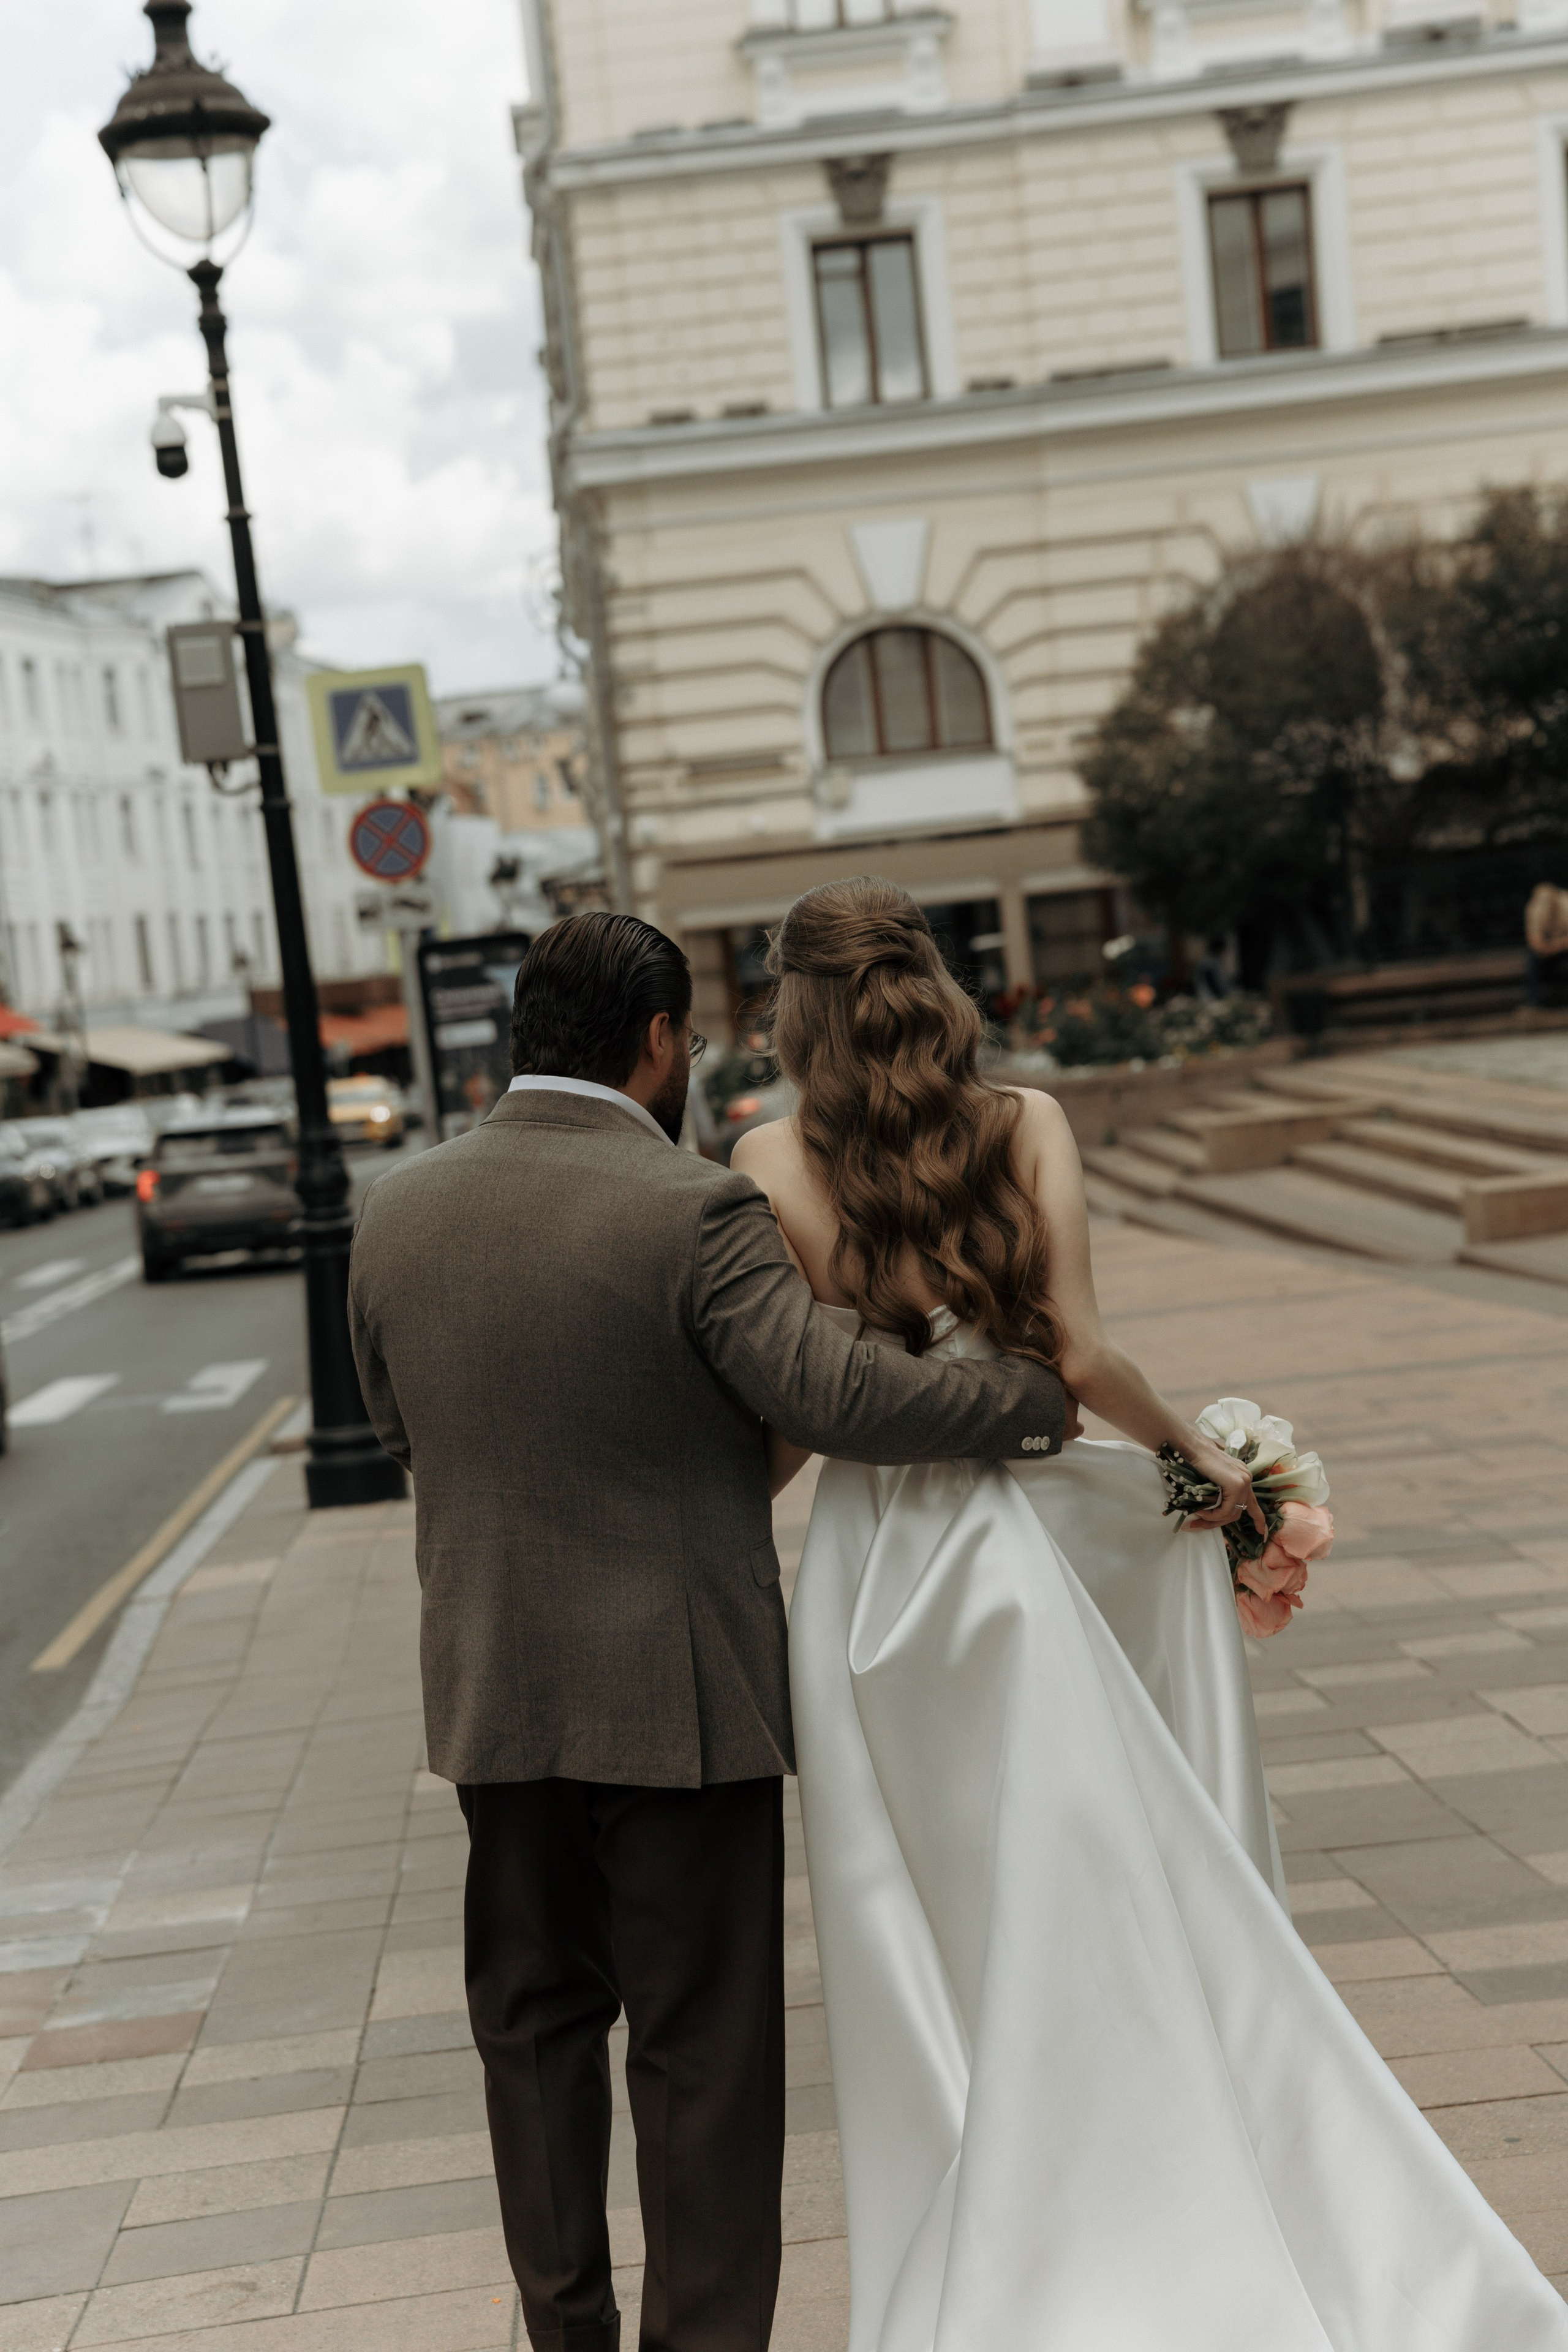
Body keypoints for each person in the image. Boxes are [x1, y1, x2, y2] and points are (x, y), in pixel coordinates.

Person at [733, 875, 1568, 2352]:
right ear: (932, 977)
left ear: (793, 1006)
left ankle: (982, 2231)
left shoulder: (764, 1156)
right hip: (1009, 1554)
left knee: (914, 1924)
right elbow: (1070, 1351)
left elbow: (806, 1412)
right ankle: (1136, 2191)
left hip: (869, 1581)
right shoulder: (1024, 1122)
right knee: (1081, 1884)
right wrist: (1197, 1459)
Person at [347, 910, 1071, 2352]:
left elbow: (395, 1428)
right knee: (701, 2069)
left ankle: (566, 2333)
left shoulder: (395, 1208)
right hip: (682, 1714)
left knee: (535, 2041)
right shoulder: (686, 1208)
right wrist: (1034, 1398)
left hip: (497, 1704)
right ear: (662, 1038)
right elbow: (837, 1392)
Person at [1525, 880, 1568, 1008]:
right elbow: (1534, 941)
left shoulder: (1566, 904)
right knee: (1533, 959)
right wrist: (1545, 948)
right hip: (1549, 949)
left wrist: (1557, 946)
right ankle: (1533, 1004)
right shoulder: (1534, 909)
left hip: (1562, 946)